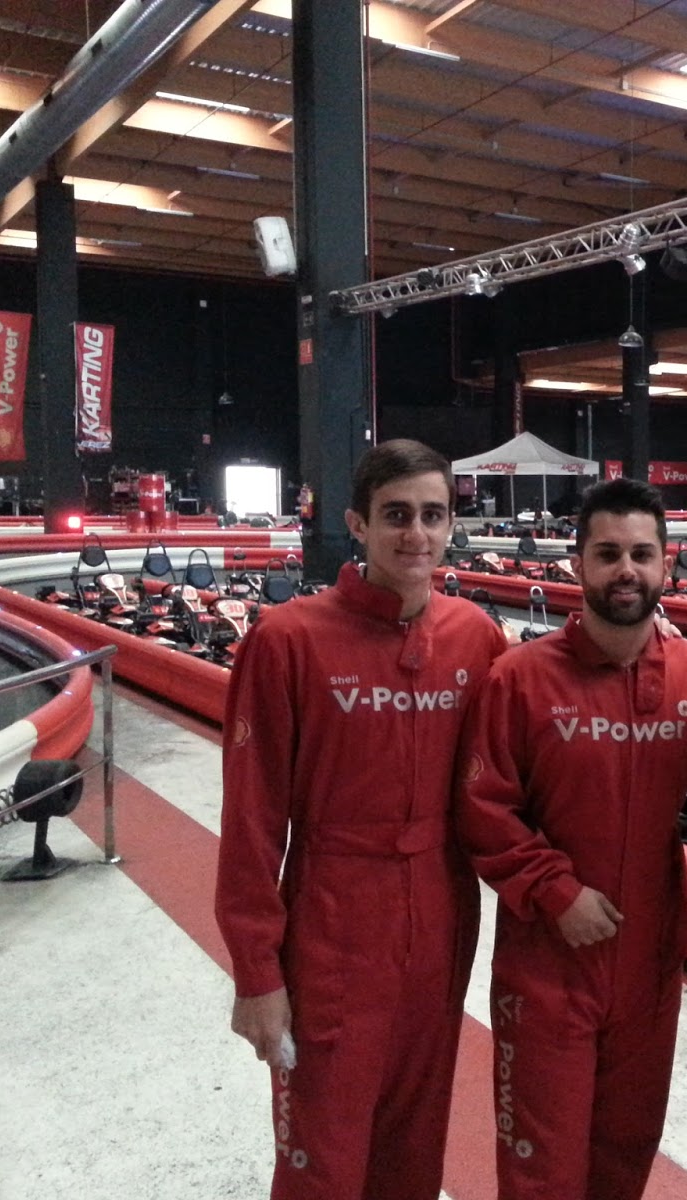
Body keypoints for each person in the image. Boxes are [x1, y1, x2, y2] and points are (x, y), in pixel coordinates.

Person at [453, 477, 687, 1200]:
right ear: (578, 564)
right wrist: (555, 892)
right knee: (542, 1170)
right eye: (608, 554)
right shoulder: (518, 681)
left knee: (625, 1153)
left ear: (666, 564)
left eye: (641, 554)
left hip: (650, 963)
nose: (626, 570)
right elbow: (483, 807)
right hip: (548, 964)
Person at [215, 438, 508, 1200]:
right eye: (396, 515)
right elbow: (251, 821)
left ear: (452, 526)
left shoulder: (476, 637)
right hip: (333, 925)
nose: (417, 534)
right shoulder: (288, 641)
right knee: (323, 1153)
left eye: (433, 515)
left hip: (441, 919)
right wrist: (257, 973)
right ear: (357, 524)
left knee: (415, 1140)